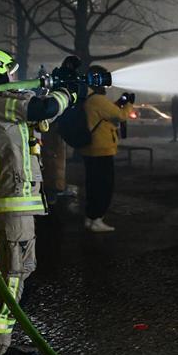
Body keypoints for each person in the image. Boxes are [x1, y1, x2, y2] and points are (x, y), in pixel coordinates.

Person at [0, 48, 77, 355]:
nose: (14, 76)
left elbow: (40, 114)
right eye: (9, 71)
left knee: (7, 275)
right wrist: (69, 91)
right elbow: (44, 106)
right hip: (11, 201)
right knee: (14, 278)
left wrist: (64, 84)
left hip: (11, 200)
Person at [78, 66, 134, 233]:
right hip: (101, 149)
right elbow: (121, 116)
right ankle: (97, 218)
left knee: (92, 185)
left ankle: (90, 217)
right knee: (104, 186)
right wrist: (129, 104)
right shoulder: (98, 100)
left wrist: (120, 103)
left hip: (90, 149)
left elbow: (107, 113)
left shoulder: (88, 98)